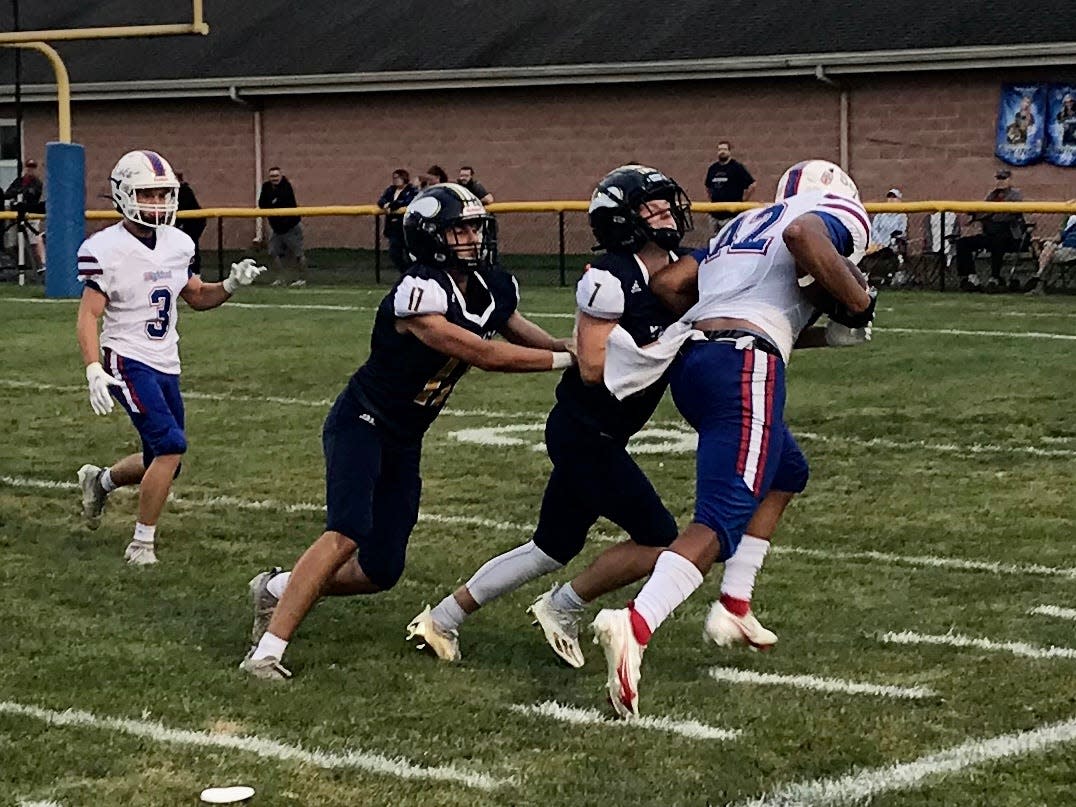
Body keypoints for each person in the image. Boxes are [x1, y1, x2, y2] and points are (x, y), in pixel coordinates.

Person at [240, 183, 575, 681]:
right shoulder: (419, 290)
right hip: (362, 421)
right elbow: (482, 354)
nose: (471, 237)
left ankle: (275, 588)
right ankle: (266, 652)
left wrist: (573, 347)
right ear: (429, 237)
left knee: (381, 571)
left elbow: (517, 329)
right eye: (458, 228)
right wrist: (564, 359)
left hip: (404, 435)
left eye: (474, 226)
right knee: (346, 533)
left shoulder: (489, 284)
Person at [591, 159, 876, 718]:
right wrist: (860, 302)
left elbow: (671, 284)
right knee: (719, 518)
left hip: (693, 361)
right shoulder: (826, 215)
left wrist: (737, 318)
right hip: (745, 367)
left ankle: (735, 604)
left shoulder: (743, 222)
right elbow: (802, 237)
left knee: (786, 471)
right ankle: (636, 622)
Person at [408, 165, 693, 665]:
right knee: (658, 538)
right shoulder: (609, 278)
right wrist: (676, 340)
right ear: (624, 220)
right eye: (652, 204)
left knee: (551, 547)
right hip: (585, 431)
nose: (666, 211)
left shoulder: (683, 266)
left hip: (604, 431)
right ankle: (564, 606)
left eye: (667, 200)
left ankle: (442, 619)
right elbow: (592, 369)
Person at [75, 150, 266, 565]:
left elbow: (196, 296)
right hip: (126, 357)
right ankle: (141, 545)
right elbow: (89, 315)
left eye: (164, 195)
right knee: (171, 445)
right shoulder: (105, 248)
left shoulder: (178, 243)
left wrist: (230, 284)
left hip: (165, 360)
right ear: (123, 195)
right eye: (148, 195)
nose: (157, 205)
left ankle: (100, 481)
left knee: (164, 460)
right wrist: (94, 367)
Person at [955, 170, 1026, 293]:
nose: (1000, 182)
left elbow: (1008, 215)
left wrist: (987, 216)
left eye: (1003, 179)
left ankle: (995, 277)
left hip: (1009, 235)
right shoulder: (992, 196)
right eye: (998, 179)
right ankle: (971, 277)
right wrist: (975, 215)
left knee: (997, 241)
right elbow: (983, 212)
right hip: (990, 233)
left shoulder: (1015, 195)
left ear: (1010, 180)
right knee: (962, 243)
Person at [257, 166, 307, 287]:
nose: (274, 179)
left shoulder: (286, 186)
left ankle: (302, 279)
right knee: (273, 253)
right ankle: (281, 278)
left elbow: (282, 202)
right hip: (276, 228)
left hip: (291, 226)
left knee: (298, 254)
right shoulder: (266, 187)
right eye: (272, 176)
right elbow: (262, 204)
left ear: (280, 176)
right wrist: (272, 203)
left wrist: (272, 203)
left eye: (276, 176)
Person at [703, 140, 755, 233]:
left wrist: (743, 201)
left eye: (724, 149)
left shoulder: (737, 168)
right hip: (715, 214)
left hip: (731, 215)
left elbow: (752, 185)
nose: (722, 152)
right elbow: (708, 187)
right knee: (715, 240)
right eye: (720, 149)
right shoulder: (713, 168)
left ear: (729, 151)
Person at [4, 158, 46, 270]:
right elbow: (8, 194)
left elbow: (33, 196)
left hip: (30, 213)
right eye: (28, 167)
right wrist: (16, 193)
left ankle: (41, 265)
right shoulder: (19, 181)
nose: (30, 170)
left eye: (33, 168)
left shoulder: (37, 183)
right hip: (16, 213)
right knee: (11, 243)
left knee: (34, 241)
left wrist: (22, 192)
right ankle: (23, 266)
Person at [1026, 205, 1076, 295]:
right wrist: (1043, 239)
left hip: (1073, 251)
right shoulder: (1072, 224)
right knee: (1049, 246)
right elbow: (1058, 238)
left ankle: (1039, 276)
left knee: (1048, 255)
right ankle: (1040, 274)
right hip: (1063, 249)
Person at [864, 188, 908, 286]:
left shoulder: (901, 216)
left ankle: (886, 276)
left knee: (886, 252)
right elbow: (874, 229)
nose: (891, 199)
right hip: (877, 243)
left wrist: (887, 242)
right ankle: (868, 275)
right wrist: (879, 242)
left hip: (892, 244)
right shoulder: (880, 214)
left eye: (894, 197)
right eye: (889, 197)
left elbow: (901, 232)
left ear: (899, 200)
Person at [377, 169, 418, 272]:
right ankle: (405, 272)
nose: (396, 180)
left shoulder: (411, 190)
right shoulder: (391, 190)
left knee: (410, 253)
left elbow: (409, 201)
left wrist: (393, 205)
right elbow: (381, 201)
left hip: (406, 226)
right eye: (394, 178)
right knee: (394, 253)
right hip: (393, 227)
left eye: (398, 178)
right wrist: (385, 204)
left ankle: (414, 272)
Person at [175, 171, 206, 274]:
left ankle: (195, 273)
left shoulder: (183, 190)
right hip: (187, 223)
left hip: (193, 223)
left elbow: (181, 208)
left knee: (191, 247)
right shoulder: (175, 191)